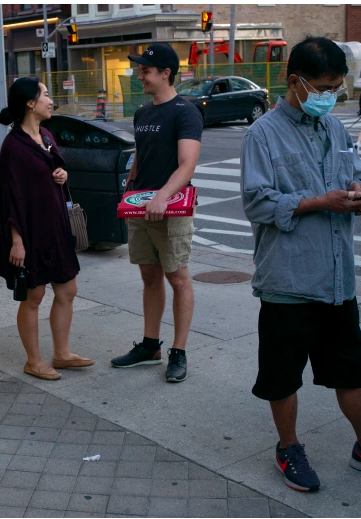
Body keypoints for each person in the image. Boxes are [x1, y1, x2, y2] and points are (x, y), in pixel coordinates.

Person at [241, 37, 361, 493]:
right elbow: (258, 203)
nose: (330, 96)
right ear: (294, 80)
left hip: (338, 278)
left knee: (351, 369)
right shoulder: (262, 134)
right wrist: (320, 202)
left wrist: (360, 196)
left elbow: (356, 171)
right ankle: (288, 448)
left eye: (337, 88)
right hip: (289, 279)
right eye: (323, 87)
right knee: (283, 375)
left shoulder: (335, 129)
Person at [109, 44, 203, 383]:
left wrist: (162, 197)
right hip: (140, 205)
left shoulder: (185, 112)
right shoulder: (143, 112)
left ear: (166, 73)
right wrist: (129, 188)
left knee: (178, 278)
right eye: (140, 69)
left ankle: (178, 351)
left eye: (146, 70)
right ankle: (150, 346)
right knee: (149, 277)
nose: (140, 75)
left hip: (171, 208)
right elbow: (141, 154)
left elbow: (187, 164)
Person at [0, 77, 93, 381]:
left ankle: (61, 354)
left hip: (56, 227)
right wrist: (17, 241)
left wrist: (61, 174)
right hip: (30, 232)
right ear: (29, 103)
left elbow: (52, 171)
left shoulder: (46, 135)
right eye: (46, 95)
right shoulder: (13, 146)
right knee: (33, 296)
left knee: (68, 289)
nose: (51, 100)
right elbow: (11, 197)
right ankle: (33, 361)